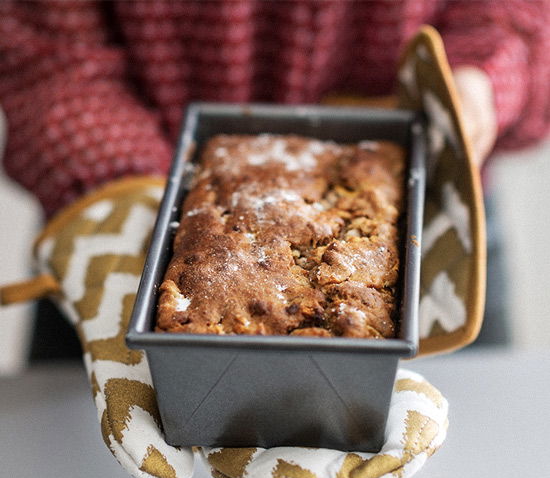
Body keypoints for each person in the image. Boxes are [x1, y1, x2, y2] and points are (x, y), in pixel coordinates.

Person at [1, 0, 549, 354]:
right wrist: (120, 204)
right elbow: (50, 58)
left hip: (438, 221)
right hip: (118, 226)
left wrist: (482, 77)